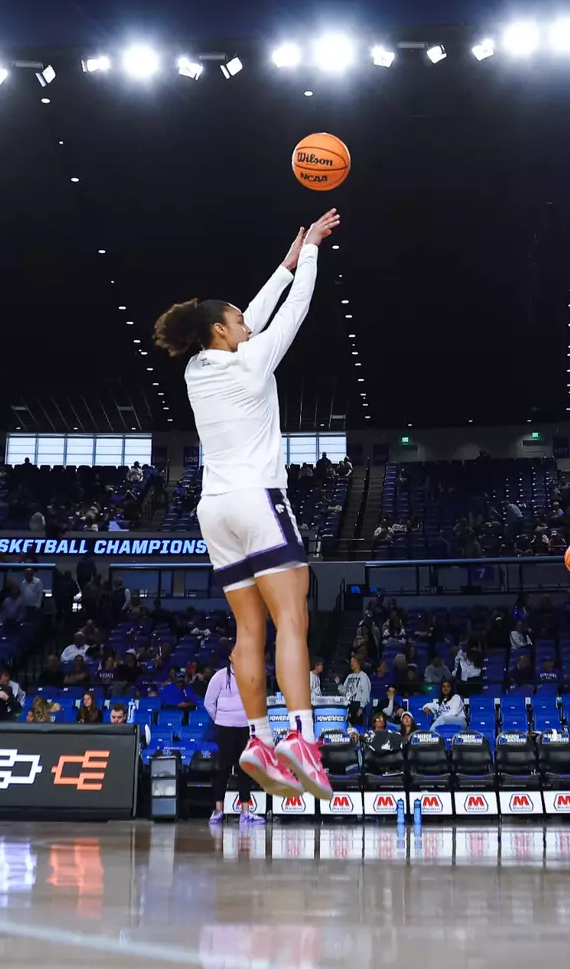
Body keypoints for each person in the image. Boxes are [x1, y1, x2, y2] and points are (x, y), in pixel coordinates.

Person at [153, 207, 340, 801]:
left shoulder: (198, 370)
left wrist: (284, 261)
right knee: (293, 620)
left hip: (216, 511)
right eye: (238, 320)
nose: (247, 324)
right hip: (260, 500)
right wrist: (310, 256)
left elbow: (252, 317)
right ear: (222, 332)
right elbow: (292, 314)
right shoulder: (252, 362)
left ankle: (258, 738)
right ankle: (302, 738)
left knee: (248, 630)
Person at [204, 653, 263, 826]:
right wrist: (220, 720)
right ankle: (218, 811)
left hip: (244, 728)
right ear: (230, 657)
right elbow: (209, 703)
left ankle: (245, 812)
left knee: (245, 768)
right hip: (225, 728)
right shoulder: (219, 677)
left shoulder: (249, 676)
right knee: (224, 768)